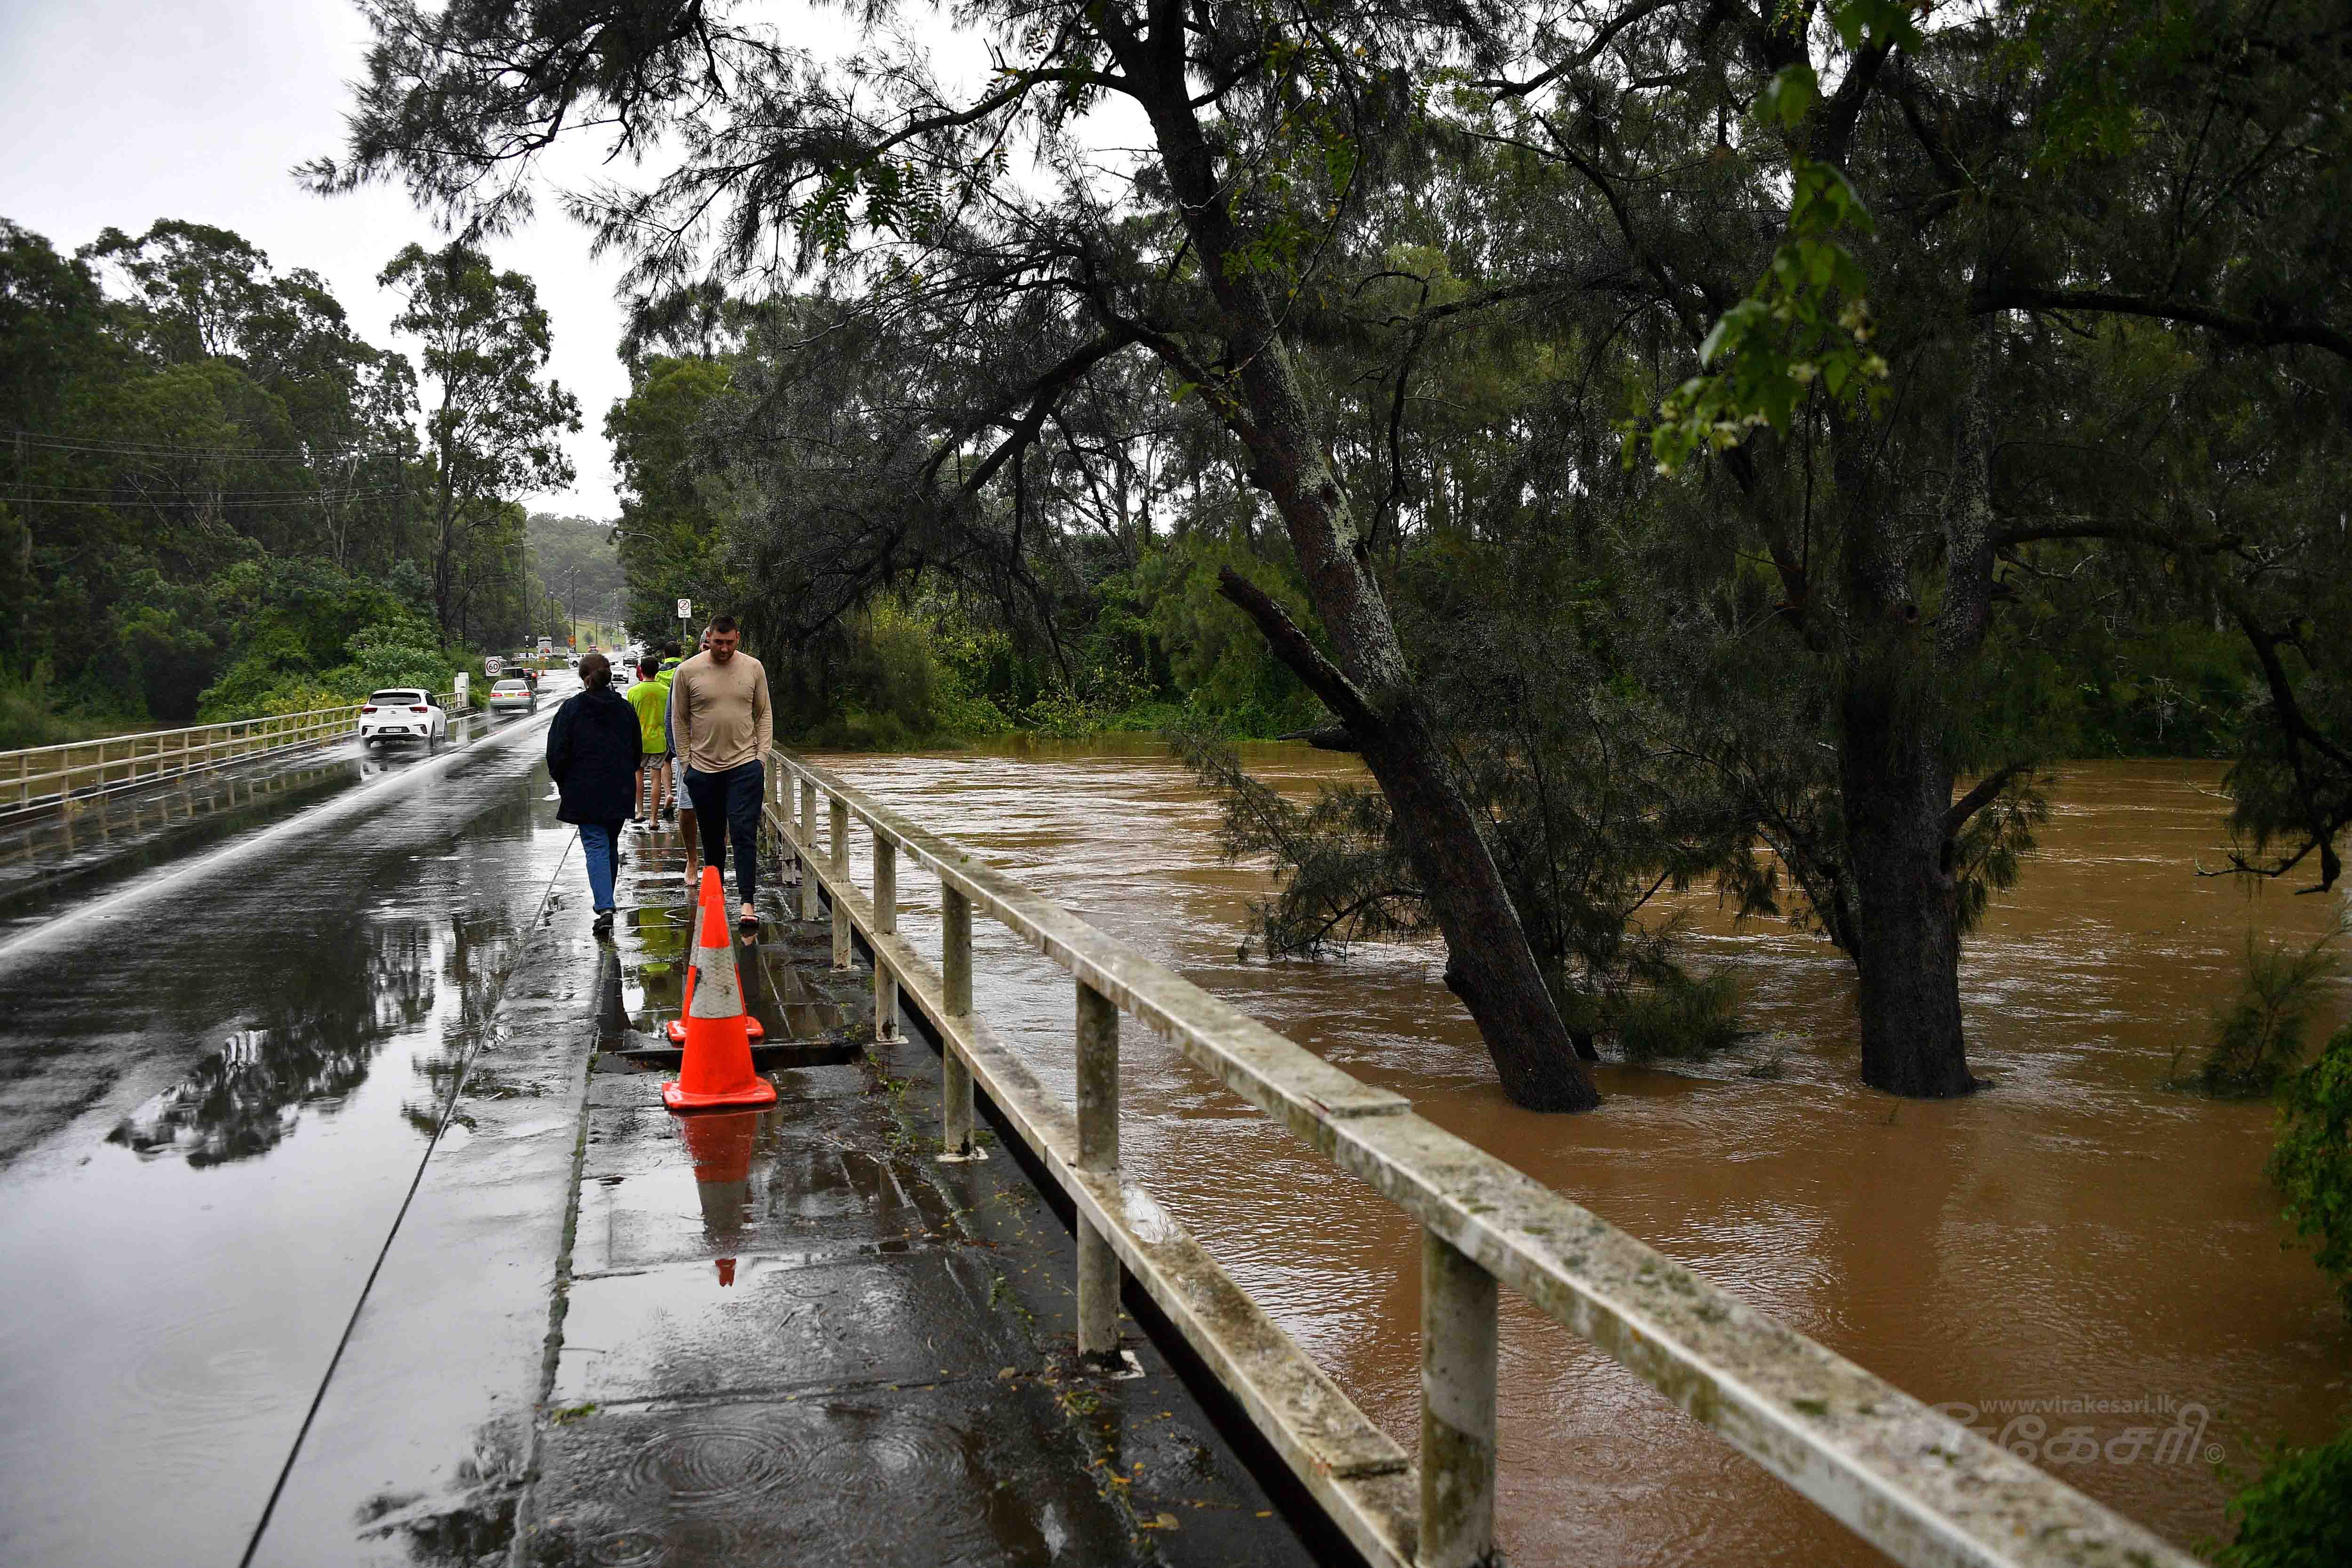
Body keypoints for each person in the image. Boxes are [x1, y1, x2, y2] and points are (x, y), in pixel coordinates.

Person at [670, 615, 772, 928]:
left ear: (738, 639)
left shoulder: (753, 668)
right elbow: (679, 719)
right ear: (709, 638)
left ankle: (747, 902)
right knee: (713, 838)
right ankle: (715, 895)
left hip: (744, 766)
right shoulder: (687, 672)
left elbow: (764, 712)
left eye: (730, 642)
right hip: (703, 768)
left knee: (744, 833)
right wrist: (687, 765)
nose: (725, 648)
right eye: (719, 642)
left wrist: (761, 758)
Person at [546, 653, 642, 936]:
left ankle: (605, 907)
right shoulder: (624, 710)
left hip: (583, 791)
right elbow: (637, 750)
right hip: (619, 788)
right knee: (609, 843)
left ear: (583, 677)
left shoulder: (571, 710)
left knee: (596, 846)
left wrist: (564, 781)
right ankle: (606, 902)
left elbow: (556, 753)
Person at [623, 653, 672, 827]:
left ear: (641, 671)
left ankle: (639, 812)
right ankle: (654, 819)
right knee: (656, 779)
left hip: (639, 741)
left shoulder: (633, 693)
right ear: (657, 671)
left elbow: (629, 719)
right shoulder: (666, 692)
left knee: (638, 775)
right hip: (659, 740)